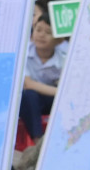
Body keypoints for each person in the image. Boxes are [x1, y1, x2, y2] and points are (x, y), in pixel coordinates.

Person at [20, 11, 67, 141]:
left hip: (52, 100)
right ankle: (38, 141)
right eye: (38, 30)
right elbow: (28, 83)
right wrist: (60, 91)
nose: (41, 35)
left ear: (59, 40)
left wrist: (62, 91)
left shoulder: (64, 59)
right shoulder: (23, 54)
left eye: (48, 32)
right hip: (31, 101)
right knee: (28, 94)